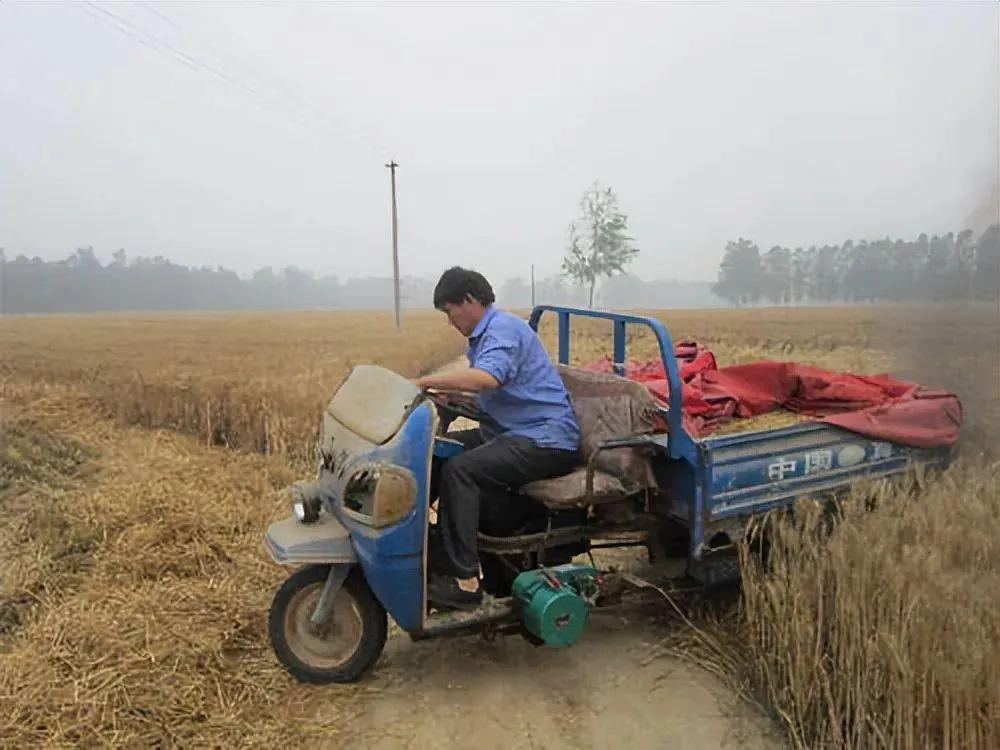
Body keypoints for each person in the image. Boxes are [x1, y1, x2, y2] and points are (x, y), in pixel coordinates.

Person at [415, 267, 580, 609]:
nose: (450, 320)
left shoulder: (503, 328)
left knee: (461, 470)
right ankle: (429, 554)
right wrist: (448, 398)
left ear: (470, 300)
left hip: (547, 438)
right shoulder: (483, 337)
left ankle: (465, 581)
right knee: (439, 456)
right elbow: (493, 392)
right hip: (512, 431)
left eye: (450, 311)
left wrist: (426, 381)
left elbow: (488, 378)